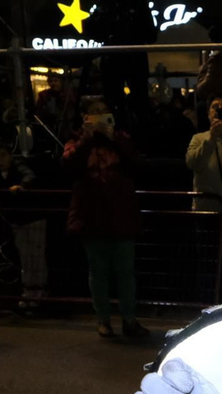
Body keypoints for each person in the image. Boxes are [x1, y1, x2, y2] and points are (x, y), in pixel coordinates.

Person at [62, 97, 148, 340]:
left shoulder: (120, 139)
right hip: (92, 218)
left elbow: (138, 165)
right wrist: (88, 139)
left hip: (122, 216)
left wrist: (116, 139)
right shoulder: (77, 142)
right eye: (95, 112)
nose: (100, 116)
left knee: (125, 273)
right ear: (85, 118)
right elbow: (69, 166)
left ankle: (129, 320)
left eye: (104, 111)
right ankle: (104, 321)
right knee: (98, 273)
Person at [0, 139, 47, 305]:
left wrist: (21, 186)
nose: (0, 160)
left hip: (33, 218)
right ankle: (28, 291)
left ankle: (40, 291)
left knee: (36, 257)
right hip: (18, 221)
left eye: (3, 155)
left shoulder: (18, 166)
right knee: (25, 257)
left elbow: (29, 175)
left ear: (10, 155)